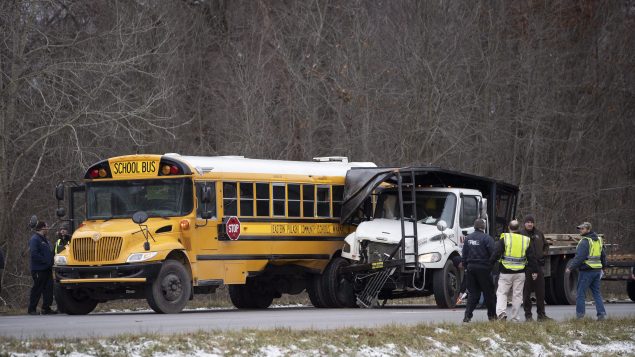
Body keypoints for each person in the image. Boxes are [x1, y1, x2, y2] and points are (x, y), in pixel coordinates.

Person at [491, 220, 537, 321]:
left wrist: (490, 265)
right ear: (518, 228)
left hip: (506, 272)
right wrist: (534, 271)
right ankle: (515, 318)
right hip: (520, 273)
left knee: (502, 293)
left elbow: (496, 253)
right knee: (517, 295)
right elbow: (532, 257)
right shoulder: (525, 240)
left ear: (509, 227)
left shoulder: (505, 238)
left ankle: (502, 314)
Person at [566, 222, 607, 320]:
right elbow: (603, 255)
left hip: (587, 271)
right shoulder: (598, 240)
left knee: (580, 293)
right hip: (597, 270)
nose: (580, 230)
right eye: (580, 229)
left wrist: (570, 267)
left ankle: (580, 316)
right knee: (596, 293)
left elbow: (579, 257)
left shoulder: (585, 241)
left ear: (588, 230)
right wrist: (603, 267)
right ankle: (601, 314)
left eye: (582, 229)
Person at [461, 218, 497, 322]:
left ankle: (467, 316)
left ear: (474, 226)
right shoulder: (487, 238)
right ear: (483, 227)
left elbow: (464, 254)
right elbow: (493, 254)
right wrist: (491, 266)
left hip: (471, 269)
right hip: (484, 269)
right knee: (489, 294)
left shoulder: (468, 238)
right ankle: (492, 317)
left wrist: (465, 266)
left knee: (473, 294)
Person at [520, 215, 552, 321]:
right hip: (526, 267)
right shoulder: (521, 234)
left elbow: (546, 246)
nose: (530, 224)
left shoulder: (539, 233)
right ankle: (528, 316)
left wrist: (543, 254)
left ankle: (541, 315)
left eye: (531, 222)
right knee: (526, 293)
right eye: (528, 222)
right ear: (524, 223)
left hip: (538, 266)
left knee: (540, 292)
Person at [28, 221, 57, 315]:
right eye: (47, 227)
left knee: (49, 289)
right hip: (38, 269)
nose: (48, 229)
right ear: (42, 228)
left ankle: (46, 308)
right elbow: (34, 254)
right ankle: (32, 309)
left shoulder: (45, 240)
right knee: (37, 289)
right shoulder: (35, 239)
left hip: (47, 269)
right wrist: (46, 261)